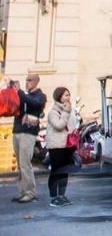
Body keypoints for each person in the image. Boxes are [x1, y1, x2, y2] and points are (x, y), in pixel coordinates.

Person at [10, 73, 46, 204]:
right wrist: (12, 91)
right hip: (17, 131)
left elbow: (34, 104)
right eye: (26, 80)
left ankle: (30, 193)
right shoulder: (24, 95)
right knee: (21, 165)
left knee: (26, 164)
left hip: (28, 133)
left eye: (30, 80)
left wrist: (19, 91)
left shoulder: (40, 96)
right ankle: (22, 192)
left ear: (37, 81)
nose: (27, 82)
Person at [45, 86, 77, 207]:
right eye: (65, 95)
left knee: (65, 172)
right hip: (56, 146)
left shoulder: (70, 110)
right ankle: (54, 198)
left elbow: (72, 125)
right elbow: (59, 125)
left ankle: (62, 195)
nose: (68, 97)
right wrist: (66, 113)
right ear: (59, 97)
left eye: (69, 95)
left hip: (67, 145)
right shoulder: (53, 112)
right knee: (56, 172)